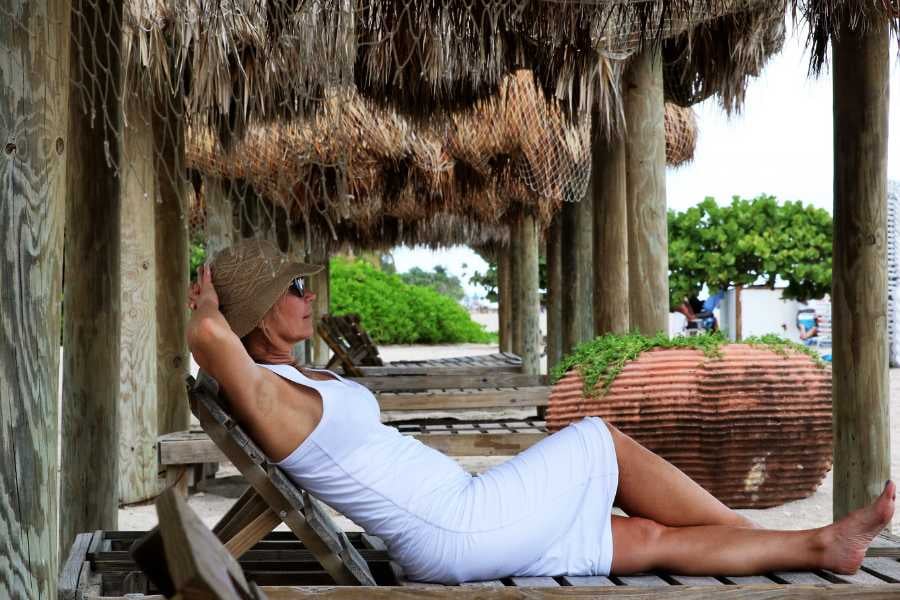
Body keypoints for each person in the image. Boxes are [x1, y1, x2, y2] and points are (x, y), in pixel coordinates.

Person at [187, 239, 895, 584]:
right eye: (295, 287)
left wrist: (232, 322)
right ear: (253, 314)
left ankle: (815, 547)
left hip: (461, 523)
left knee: (645, 539)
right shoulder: (270, 396)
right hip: (458, 524)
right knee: (598, 440)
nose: (310, 295)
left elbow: (228, 343)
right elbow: (208, 337)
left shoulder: (290, 376)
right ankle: (746, 534)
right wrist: (212, 309)